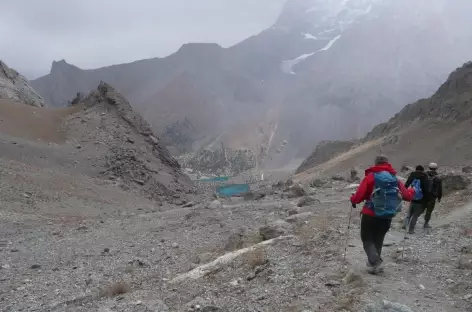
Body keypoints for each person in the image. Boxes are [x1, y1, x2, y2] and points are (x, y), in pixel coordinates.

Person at [350, 155, 414, 274]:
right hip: (387, 216)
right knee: (378, 239)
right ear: (387, 163)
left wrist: (352, 199)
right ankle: (374, 264)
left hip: (370, 213)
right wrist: (412, 191)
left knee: (367, 239)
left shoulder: (371, 177)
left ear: (375, 163)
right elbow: (407, 196)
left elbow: (359, 197)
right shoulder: (394, 179)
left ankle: (376, 263)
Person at [404, 165, 431, 234]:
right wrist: (427, 200)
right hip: (420, 199)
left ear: (416, 169)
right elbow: (427, 190)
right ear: (422, 170)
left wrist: (405, 195)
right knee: (415, 215)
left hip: (412, 197)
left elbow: (406, 185)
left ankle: (405, 226)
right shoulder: (424, 177)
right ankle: (411, 230)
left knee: (410, 213)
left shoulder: (412, 175)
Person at [424, 162, 443, 228]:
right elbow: (439, 189)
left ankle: (413, 220)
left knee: (420, 208)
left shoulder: (424, 175)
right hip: (432, 196)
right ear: (436, 168)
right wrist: (439, 197)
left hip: (424, 195)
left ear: (429, 167)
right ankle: (426, 223)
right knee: (429, 210)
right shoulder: (438, 178)